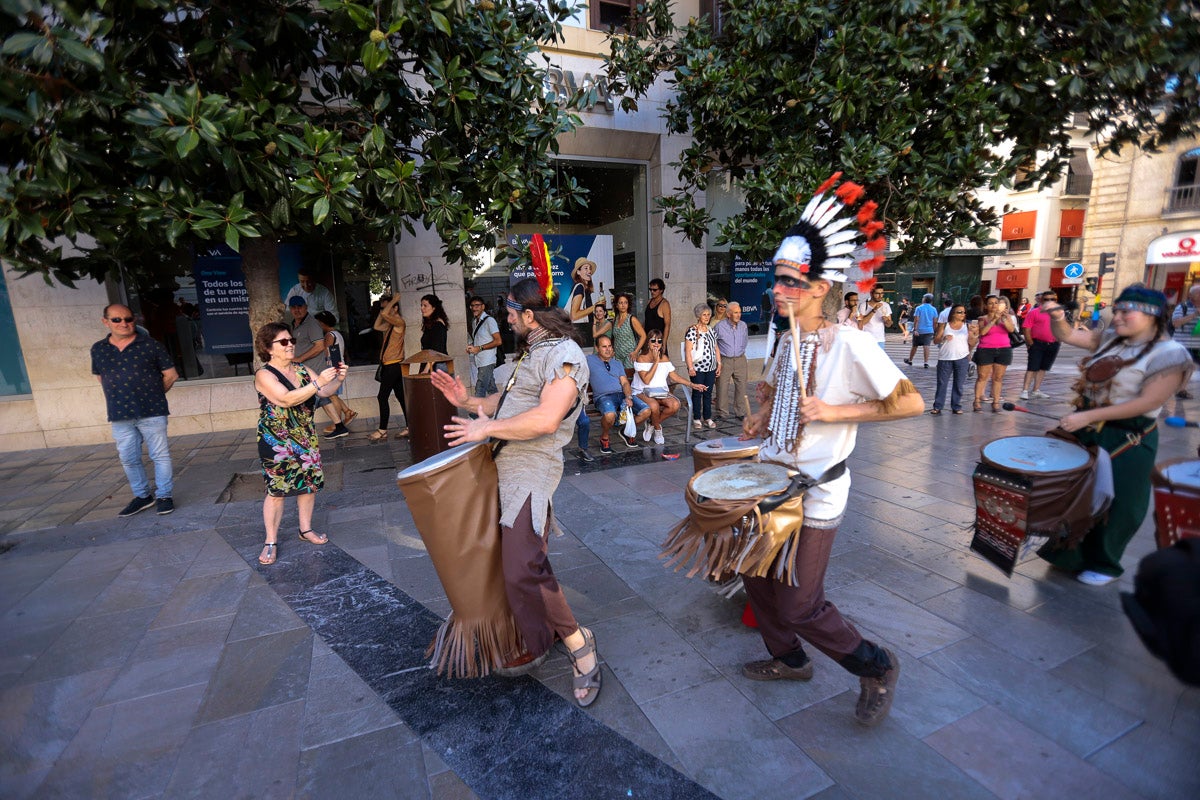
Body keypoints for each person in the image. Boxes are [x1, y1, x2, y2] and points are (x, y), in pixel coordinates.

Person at [740, 182, 924, 726]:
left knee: (800, 601)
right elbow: (775, 390)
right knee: (754, 573)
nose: (778, 288)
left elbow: (911, 404)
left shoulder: (852, 342)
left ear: (820, 286)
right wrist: (760, 413)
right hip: (769, 480)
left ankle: (875, 664)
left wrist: (835, 412)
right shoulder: (786, 336)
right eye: (776, 278)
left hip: (817, 490)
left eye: (790, 281)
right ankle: (789, 658)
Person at [429, 277, 601, 706]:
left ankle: (581, 647)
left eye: (509, 312)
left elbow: (545, 419)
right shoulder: (534, 352)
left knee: (524, 567)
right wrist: (469, 401)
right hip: (501, 470)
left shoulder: (564, 354)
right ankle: (540, 635)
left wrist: (485, 427)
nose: (505, 319)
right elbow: (506, 404)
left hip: (532, 470)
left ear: (529, 314)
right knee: (518, 565)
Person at [1039, 286, 1193, 585]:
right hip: (1087, 431)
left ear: (1153, 316)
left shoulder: (1171, 355)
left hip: (1128, 436)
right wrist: (1057, 316)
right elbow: (1068, 335)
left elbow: (1148, 402)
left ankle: (1105, 563)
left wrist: (1088, 415)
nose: (1117, 316)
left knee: (1121, 503)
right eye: (1117, 310)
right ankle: (1069, 554)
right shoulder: (1112, 339)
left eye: (1126, 311)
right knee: (1077, 495)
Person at [252, 323, 347, 565]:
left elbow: (325, 392)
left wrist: (338, 379)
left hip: (305, 436)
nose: (290, 344)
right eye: (283, 342)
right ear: (268, 348)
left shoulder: (302, 368)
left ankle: (305, 529)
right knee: (277, 491)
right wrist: (316, 385)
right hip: (277, 440)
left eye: (291, 339)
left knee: (308, 485)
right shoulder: (264, 375)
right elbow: (285, 399)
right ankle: (270, 540)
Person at [91, 303, 179, 517]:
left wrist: (155, 395)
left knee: (160, 455)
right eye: (117, 320)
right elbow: (101, 377)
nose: (124, 323)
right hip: (120, 415)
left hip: (152, 412)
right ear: (106, 322)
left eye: (129, 319)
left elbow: (171, 374)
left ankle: (164, 496)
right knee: (128, 457)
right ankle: (142, 496)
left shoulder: (151, 345)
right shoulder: (99, 349)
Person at [632, 331, 705, 444]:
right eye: (653, 340)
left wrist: (692, 384)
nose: (656, 343)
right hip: (641, 391)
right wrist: (656, 361)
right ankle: (657, 428)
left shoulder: (664, 358)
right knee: (654, 406)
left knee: (675, 405)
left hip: (660, 391)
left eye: (659, 341)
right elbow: (646, 380)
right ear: (648, 343)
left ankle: (652, 424)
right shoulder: (641, 358)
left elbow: (674, 376)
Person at [587, 335, 650, 452]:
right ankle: (605, 437)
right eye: (604, 347)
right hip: (603, 397)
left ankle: (624, 430)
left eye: (610, 346)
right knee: (610, 415)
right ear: (597, 348)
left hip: (621, 395)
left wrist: (628, 397)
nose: (608, 349)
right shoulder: (589, 360)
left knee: (646, 411)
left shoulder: (617, 363)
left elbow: (625, 383)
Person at [370, 293, 408, 441]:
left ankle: (382, 429)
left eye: (387, 308)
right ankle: (410, 427)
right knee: (401, 397)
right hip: (389, 366)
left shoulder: (399, 322)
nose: (383, 311)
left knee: (382, 397)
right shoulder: (390, 324)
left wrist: (393, 301)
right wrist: (385, 308)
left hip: (394, 366)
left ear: (395, 308)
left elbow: (386, 313)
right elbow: (376, 326)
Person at [970, 295, 1016, 412]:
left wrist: (1004, 318)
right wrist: (994, 320)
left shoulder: (1007, 317)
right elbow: (983, 332)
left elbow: (1011, 330)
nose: (994, 305)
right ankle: (977, 400)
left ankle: (995, 402)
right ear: (986, 306)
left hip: (1003, 349)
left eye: (996, 303)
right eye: (990, 303)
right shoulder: (982, 318)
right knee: (982, 377)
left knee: (998, 377)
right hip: (986, 349)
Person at [313, 310, 355, 438]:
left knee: (331, 395)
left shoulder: (329, 335)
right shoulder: (337, 333)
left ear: (322, 323)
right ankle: (348, 412)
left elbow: (325, 352)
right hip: (338, 367)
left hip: (333, 368)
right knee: (333, 395)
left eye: (318, 323)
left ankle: (337, 423)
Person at [930, 304, 977, 414]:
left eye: (964, 312)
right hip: (945, 358)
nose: (962, 314)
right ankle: (938, 406)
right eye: (959, 312)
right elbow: (935, 341)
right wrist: (943, 338)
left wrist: (974, 335)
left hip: (962, 358)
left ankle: (956, 406)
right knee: (942, 383)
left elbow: (972, 343)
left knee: (959, 384)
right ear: (953, 314)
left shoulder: (967, 326)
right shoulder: (945, 325)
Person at [684, 302, 721, 429]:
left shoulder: (711, 330)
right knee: (697, 392)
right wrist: (690, 367)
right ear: (698, 316)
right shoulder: (692, 330)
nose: (707, 317)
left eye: (709, 315)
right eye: (704, 315)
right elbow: (688, 351)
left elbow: (716, 348)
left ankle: (707, 417)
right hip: (698, 368)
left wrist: (719, 364)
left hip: (711, 367)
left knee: (708, 393)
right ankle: (696, 418)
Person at [1019, 291, 1061, 400]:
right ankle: (1025, 390)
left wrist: (1059, 340)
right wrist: (1030, 343)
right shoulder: (1034, 312)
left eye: (1053, 299)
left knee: (1043, 368)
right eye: (1047, 299)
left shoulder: (1058, 312)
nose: (1050, 301)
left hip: (1053, 344)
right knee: (1032, 367)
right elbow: (1026, 328)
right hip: (1037, 343)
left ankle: (1036, 390)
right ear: (1042, 300)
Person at [713, 301, 749, 419]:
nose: (738, 315)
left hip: (740, 359)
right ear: (728, 314)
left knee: (741, 386)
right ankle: (722, 412)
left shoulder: (743, 325)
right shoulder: (719, 326)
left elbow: (745, 341)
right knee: (722, 386)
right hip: (725, 360)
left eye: (739, 312)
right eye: (735, 313)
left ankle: (740, 412)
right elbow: (713, 343)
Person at [467, 295, 501, 396]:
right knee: (491, 388)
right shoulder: (474, 322)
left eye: (477, 305)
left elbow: (498, 341)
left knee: (480, 386)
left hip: (488, 359)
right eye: (472, 306)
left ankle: (476, 411)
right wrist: (472, 346)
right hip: (479, 359)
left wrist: (479, 348)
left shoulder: (489, 321)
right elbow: (480, 340)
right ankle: (499, 409)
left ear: (483, 307)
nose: (474, 308)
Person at [287, 296, 327, 378]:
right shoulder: (293, 325)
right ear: (290, 309)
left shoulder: (312, 323)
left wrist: (299, 359)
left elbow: (320, 346)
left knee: (314, 390)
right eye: (293, 307)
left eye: (300, 307)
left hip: (315, 373)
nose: (297, 310)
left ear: (306, 307)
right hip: (301, 372)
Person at [611, 293, 646, 379]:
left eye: (625, 302)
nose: (623, 305)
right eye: (620, 303)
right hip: (618, 355)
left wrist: (636, 351)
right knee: (619, 378)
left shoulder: (632, 319)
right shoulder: (615, 319)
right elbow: (614, 337)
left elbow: (643, 336)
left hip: (629, 355)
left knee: (629, 378)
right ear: (616, 305)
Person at [904, 293, 938, 368]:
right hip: (929, 330)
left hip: (919, 330)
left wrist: (915, 329)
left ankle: (910, 360)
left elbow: (916, 319)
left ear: (924, 299)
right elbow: (935, 321)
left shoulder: (919, 308)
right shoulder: (934, 309)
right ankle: (926, 362)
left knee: (914, 346)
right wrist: (935, 331)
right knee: (926, 346)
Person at [568, 257, 598, 323]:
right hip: (581, 329)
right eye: (586, 268)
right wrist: (595, 306)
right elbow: (574, 316)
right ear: (578, 272)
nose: (589, 271)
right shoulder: (580, 287)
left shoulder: (585, 289)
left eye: (590, 268)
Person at [644, 278, 672, 345]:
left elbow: (667, 325)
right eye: (650, 289)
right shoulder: (649, 301)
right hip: (647, 339)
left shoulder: (664, 304)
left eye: (655, 290)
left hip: (657, 341)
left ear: (661, 290)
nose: (652, 292)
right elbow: (646, 320)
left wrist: (664, 342)